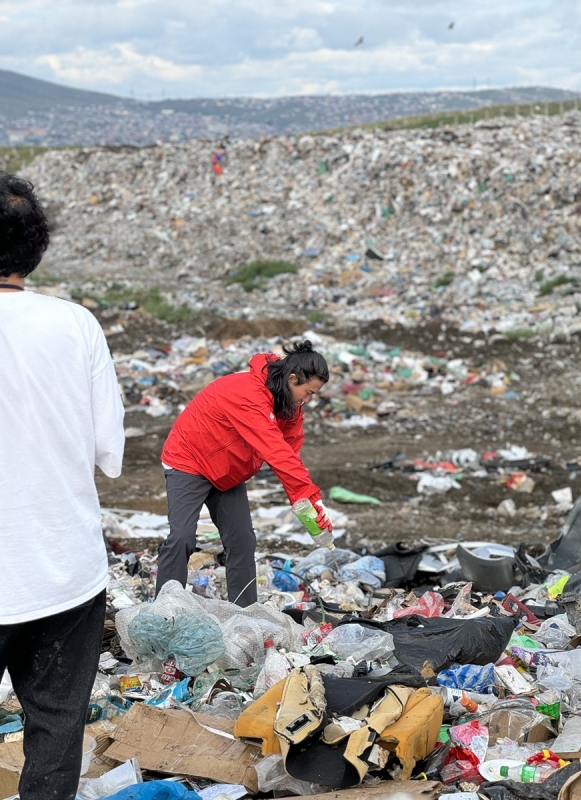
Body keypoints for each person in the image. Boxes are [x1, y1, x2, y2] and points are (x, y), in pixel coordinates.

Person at [0, 173, 125, 800]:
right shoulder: (77, 325)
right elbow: (109, 455)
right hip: (64, 573)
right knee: (55, 727)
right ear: (37, 247)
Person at [156, 341, 332, 606]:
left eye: (313, 396)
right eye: (307, 392)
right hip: (189, 461)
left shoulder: (289, 406)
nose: (306, 400)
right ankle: (164, 610)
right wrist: (305, 493)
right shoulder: (248, 394)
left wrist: (308, 502)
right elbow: (274, 450)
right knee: (182, 537)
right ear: (292, 378)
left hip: (228, 471)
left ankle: (245, 614)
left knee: (242, 541)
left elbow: (289, 454)